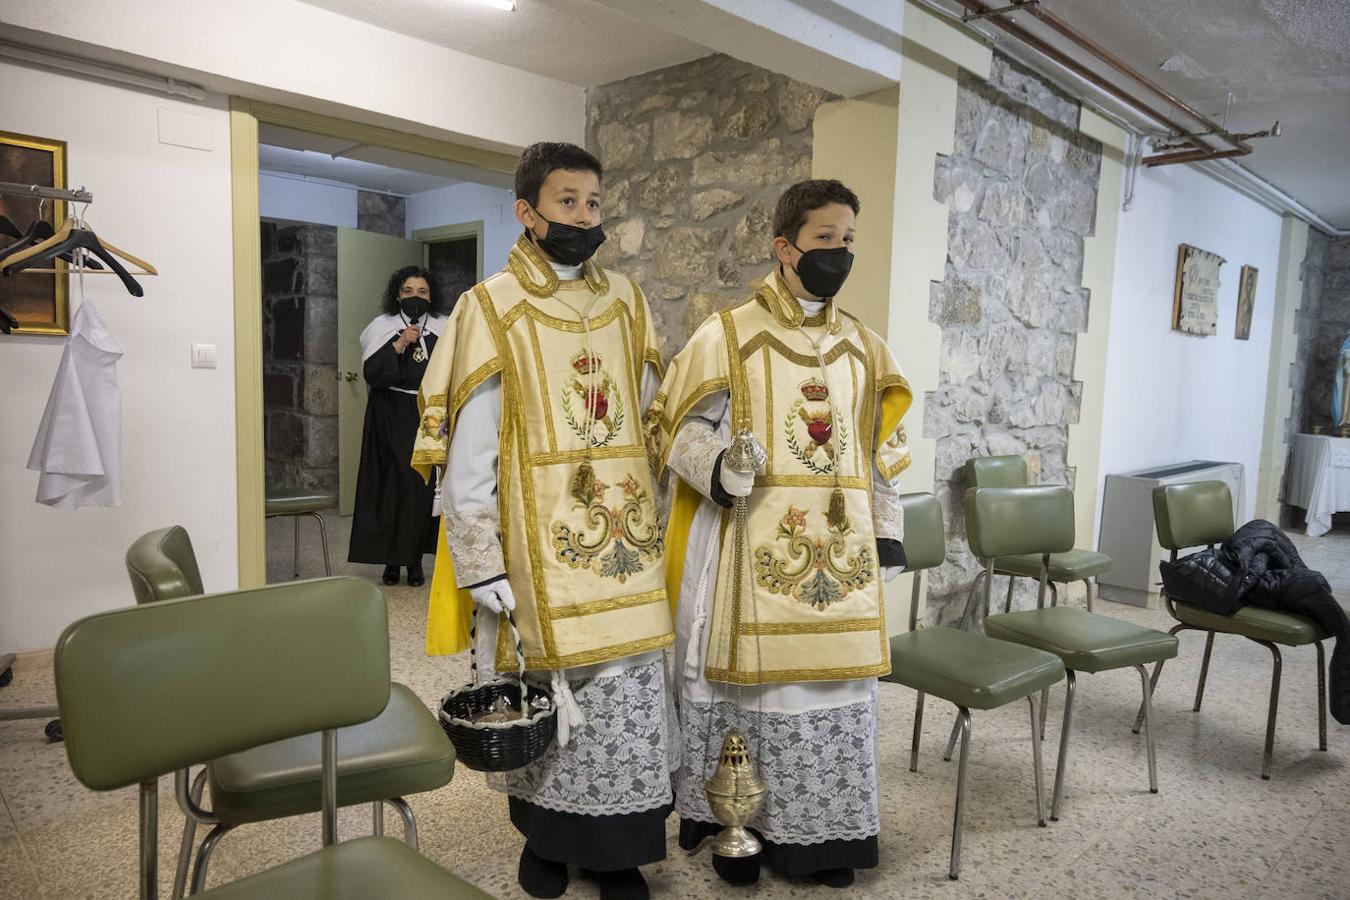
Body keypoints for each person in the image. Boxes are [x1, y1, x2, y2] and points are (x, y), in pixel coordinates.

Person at [412, 143, 673, 900]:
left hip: (622, 535)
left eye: (594, 203)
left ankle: (620, 850)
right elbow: (471, 444)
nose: (585, 217)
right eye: (567, 202)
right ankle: (548, 844)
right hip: (533, 544)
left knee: (623, 699)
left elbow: (653, 413)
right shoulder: (490, 306)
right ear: (527, 212)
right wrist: (478, 558)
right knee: (542, 698)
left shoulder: (627, 299)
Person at [653, 179, 912, 888]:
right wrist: (723, 471)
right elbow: (678, 432)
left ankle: (826, 838)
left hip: (841, 555)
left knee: (829, 694)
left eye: (848, 239)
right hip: (744, 539)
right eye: (826, 238)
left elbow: (881, 449)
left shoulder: (863, 345)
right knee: (757, 694)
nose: (840, 251)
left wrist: (887, 529)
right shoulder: (728, 335)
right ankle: (739, 825)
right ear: (785, 246)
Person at [348, 267, 448, 586]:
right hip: (388, 414)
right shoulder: (383, 327)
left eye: (422, 291)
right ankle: (391, 562)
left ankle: (415, 561)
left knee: (419, 489)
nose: (415, 297)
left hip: (429, 416)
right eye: (408, 291)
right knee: (388, 486)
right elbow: (374, 374)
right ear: (397, 295)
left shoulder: (445, 329)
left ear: (431, 296)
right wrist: (400, 343)